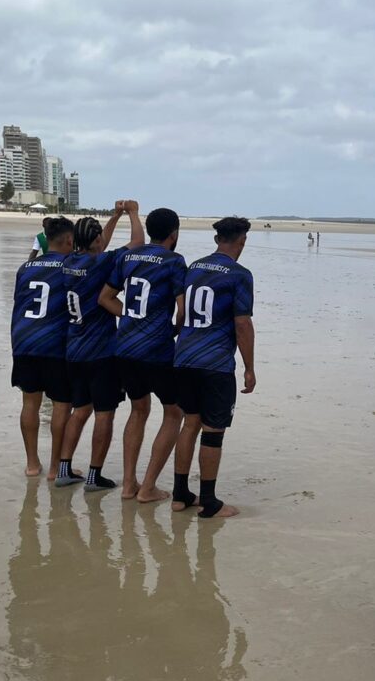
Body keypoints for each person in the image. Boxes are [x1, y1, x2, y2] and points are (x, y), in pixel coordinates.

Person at [98, 207, 188, 502]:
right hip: (157, 349)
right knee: (174, 412)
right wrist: (174, 330)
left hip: (124, 347)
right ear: (174, 233)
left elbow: (105, 298)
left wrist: (130, 318)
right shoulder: (174, 261)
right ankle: (148, 487)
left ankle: (128, 485)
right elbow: (182, 310)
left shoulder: (128, 257)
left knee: (138, 410)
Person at [57, 202, 145, 492]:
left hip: (74, 350)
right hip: (100, 352)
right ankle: (95, 475)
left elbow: (99, 243)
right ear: (95, 240)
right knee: (104, 413)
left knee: (79, 410)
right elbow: (137, 242)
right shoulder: (101, 263)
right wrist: (133, 214)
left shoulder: (70, 262)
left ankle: (64, 469)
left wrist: (115, 216)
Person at [171, 217, 256, 518]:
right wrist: (249, 367)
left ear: (217, 239)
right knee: (213, 431)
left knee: (189, 423)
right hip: (215, 364)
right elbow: (242, 324)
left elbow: (182, 312)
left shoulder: (194, 267)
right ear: (242, 241)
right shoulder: (240, 275)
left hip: (184, 358)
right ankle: (209, 502)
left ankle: (180, 495)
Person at [10, 216, 76, 479]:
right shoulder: (70, 266)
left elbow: (19, 303)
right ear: (69, 240)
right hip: (54, 343)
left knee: (30, 402)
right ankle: (55, 467)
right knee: (62, 404)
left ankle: (32, 464)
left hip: (24, 341)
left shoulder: (25, 267)